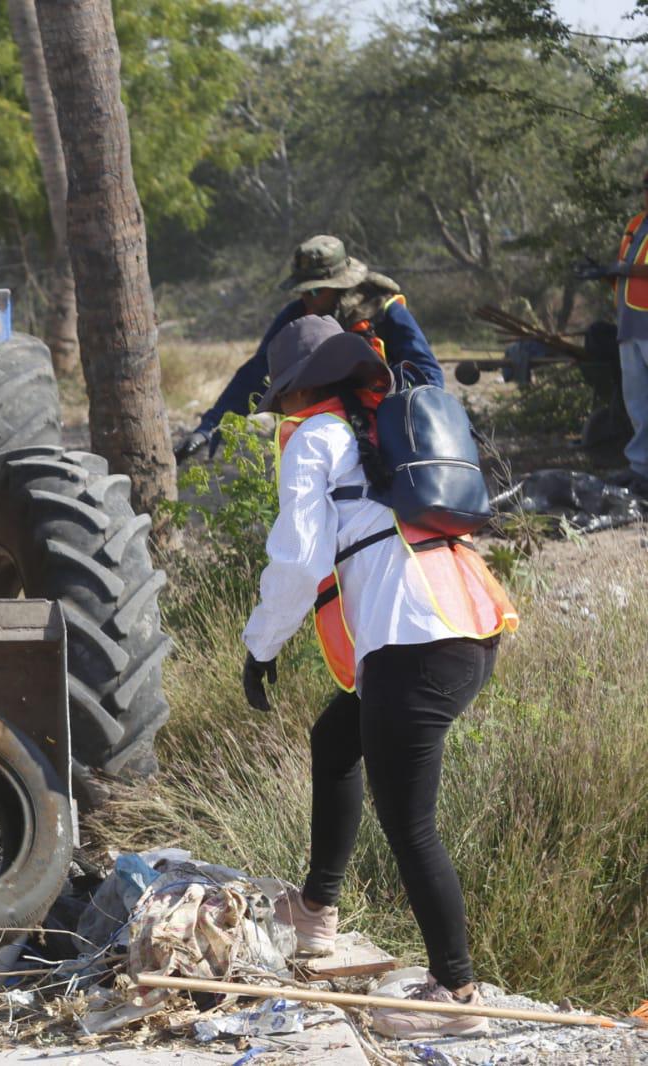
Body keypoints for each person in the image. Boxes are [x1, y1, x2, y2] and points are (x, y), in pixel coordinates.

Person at [240, 316, 517, 1040]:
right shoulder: (374, 434)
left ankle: (455, 996)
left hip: (414, 646)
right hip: (463, 628)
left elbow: (299, 562)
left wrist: (260, 646)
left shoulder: (313, 440)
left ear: (298, 390)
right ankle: (315, 911)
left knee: (410, 826)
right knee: (335, 739)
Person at [177, 235, 444, 459]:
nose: (307, 297)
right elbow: (258, 372)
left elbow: (428, 374)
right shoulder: (296, 317)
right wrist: (209, 427)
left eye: (316, 291)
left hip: (385, 433)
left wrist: (417, 428)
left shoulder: (384, 312)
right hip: (321, 439)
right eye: (303, 289)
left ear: (339, 286)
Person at [601, 171, 648, 496]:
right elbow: (625, 269)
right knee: (637, 402)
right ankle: (641, 469)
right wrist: (605, 273)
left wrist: (627, 270)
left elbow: (633, 269)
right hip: (630, 324)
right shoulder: (636, 223)